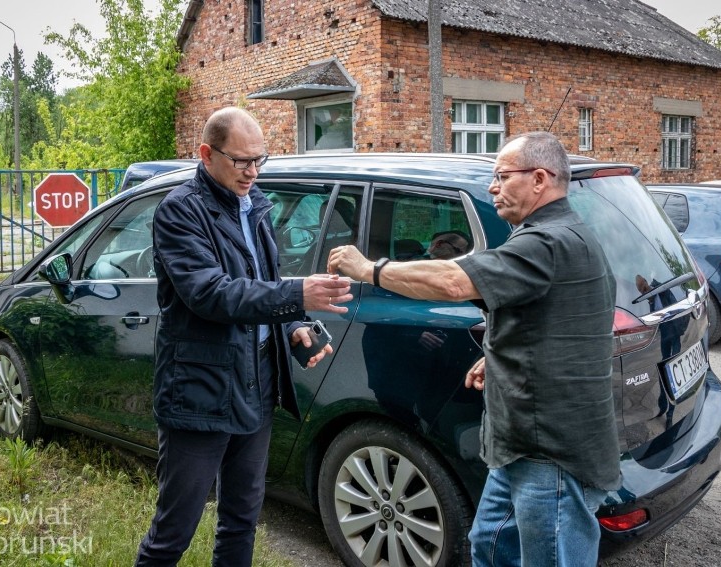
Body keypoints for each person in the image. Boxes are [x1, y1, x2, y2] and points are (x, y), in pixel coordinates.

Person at [328, 132, 620, 567]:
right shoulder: (561, 236)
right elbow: (568, 320)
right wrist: (500, 355)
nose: (492, 187)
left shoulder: (549, 242)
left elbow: (452, 281)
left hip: (550, 453)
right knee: (489, 545)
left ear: (539, 179)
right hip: (520, 447)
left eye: (502, 176)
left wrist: (370, 268)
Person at [135, 107, 352, 567]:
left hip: (255, 388)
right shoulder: (179, 211)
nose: (253, 172)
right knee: (174, 529)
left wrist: (293, 325)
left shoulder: (254, 205)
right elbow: (210, 293)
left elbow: (261, 279)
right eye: (241, 161)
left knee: (242, 518)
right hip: (199, 394)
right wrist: (297, 294)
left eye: (260, 160)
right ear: (206, 154)